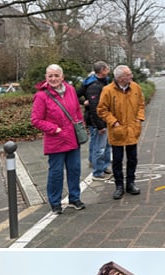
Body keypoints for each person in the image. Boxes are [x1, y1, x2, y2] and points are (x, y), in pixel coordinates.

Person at [31, 64, 86, 214]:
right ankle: (55, 202)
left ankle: (75, 198)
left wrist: (80, 125)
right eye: (50, 76)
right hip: (56, 140)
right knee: (56, 173)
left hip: (72, 138)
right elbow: (36, 120)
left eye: (56, 75)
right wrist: (54, 129)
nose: (53, 78)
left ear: (62, 77)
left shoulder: (71, 90)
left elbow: (77, 111)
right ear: (46, 78)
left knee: (74, 170)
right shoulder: (41, 96)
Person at [97, 64, 145, 200]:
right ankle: (119, 185)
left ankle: (131, 183)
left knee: (132, 158)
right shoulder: (108, 90)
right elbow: (102, 109)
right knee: (117, 160)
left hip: (132, 129)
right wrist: (113, 122)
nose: (131, 76)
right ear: (120, 78)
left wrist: (139, 119)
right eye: (128, 75)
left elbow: (141, 104)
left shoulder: (135, 87)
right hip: (117, 131)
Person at [77, 61, 112, 180]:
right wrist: (100, 125)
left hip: (103, 119)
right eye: (107, 68)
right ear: (102, 70)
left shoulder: (104, 81)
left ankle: (103, 166)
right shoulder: (94, 86)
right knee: (99, 146)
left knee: (105, 145)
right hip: (96, 120)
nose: (109, 70)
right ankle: (97, 171)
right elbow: (94, 108)